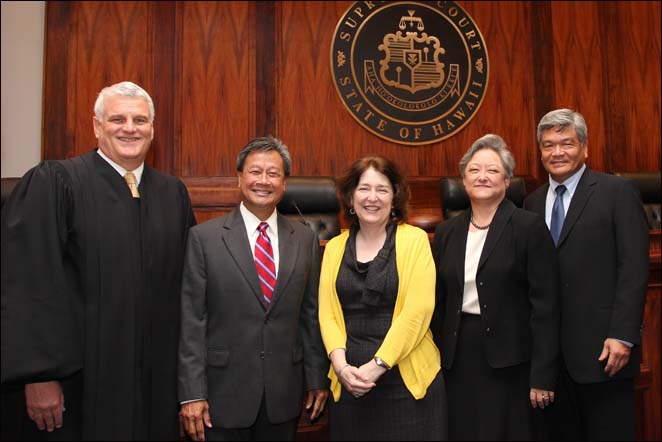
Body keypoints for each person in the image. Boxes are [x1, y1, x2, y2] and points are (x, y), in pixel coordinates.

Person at [0, 81, 196, 440]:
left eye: (140, 120)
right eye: (117, 119)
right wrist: (39, 375)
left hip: (156, 383)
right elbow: (29, 283)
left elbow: (189, 291)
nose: (129, 128)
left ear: (152, 129)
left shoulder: (172, 194)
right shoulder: (56, 183)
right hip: (77, 384)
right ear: (96, 126)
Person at [178, 136, 330, 441]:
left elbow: (310, 315)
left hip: (283, 394)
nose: (264, 181)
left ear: (284, 183)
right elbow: (192, 320)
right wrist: (191, 393)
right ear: (239, 178)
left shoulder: (304, 239)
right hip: (221, 395)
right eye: (255, 172)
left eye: (273, 173)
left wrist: (316, 379)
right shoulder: (204, 239)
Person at [523, 109, 649, 441]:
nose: (557, 152)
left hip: (604, 352)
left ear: (585, 148)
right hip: (552, 361)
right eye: (548, 145)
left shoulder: (616, 192)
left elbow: (634, 267)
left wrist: (623, 335)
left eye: (566, 143)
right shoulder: (530, 204)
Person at [430, 134, 561, 440]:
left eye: (492, 170)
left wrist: (543, 375)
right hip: (458, 357)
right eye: (474, 170)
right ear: (463, 180)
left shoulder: (528, 227)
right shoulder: (448, 231)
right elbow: (438, 302)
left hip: (511, 361)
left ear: (507, 180)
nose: (483, 176)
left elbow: (547, 307)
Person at [318, 156, 447, 441]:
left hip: (407, 383)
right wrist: (341, 368)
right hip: (350, 382)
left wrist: (376, 367)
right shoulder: (335, 247)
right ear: (350, 197)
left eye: (382, 189)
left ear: (395, 198)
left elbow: (418, 312)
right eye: (364, 189)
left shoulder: (414, 240)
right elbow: (327, 314)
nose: (372, 198)